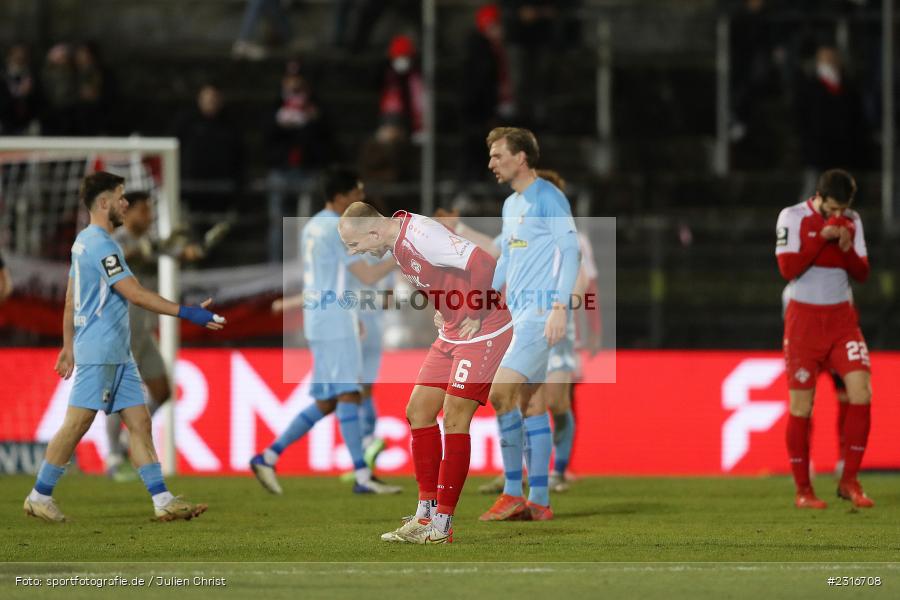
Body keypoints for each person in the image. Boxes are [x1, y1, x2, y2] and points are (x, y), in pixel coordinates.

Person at [23, 172, 225, 523]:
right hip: (101, 349)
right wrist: (187, 312)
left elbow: (72, 298)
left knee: (140, 421)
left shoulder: (83, 242)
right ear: (104, 204)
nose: (125, 204)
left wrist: (67, 345)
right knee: (77, 424)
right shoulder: (101, 244)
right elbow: (134, 293)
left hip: (118, 350)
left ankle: (162, 499)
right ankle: (39, 494)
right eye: (120, 197)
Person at [337, 201, 514, 545]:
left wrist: (473, 311)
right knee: (418, 411)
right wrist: (445, 310)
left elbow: (483, 261)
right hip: (452, 331)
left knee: (454, 418)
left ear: (373, 231)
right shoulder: (398, 240)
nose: (355, 253)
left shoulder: (420, 235)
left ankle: (443, 524)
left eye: (355, 245)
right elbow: (445, 277)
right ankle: (424, 515)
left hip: (483, 330)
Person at [251, 166, 398, 495]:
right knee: (349, 392)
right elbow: (369, 276)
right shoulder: (339, 228)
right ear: (342, 196)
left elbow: (324, 278)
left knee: (329, 400)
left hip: (322, 316)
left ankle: (268, 456)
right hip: (333, 318)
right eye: (357, 192)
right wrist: (399, 257)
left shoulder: (313, 226)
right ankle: (362, 477)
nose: (362, 198)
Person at [479, 127, 580, 522]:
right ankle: (538, 500)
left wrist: (558, 307)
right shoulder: (511, 205)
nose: (492, 163)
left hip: (539, 315)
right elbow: (505, 259)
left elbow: (572, 254)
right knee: (530, 402)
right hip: (515, 314)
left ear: (521, 157)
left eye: (498, 155)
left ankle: (510, 491)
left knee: (500, 393)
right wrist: (482, 300)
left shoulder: (549, 198)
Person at [775, 168, 873, 509]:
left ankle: (850, 481)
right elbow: (788, 269)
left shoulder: (853, 221)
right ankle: (804, 490)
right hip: (803, 321)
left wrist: (845, 247)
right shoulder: (792, 217)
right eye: (831, 208)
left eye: (842, 209)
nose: (837, 215)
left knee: (861, 391)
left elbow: (862, 273)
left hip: (841, 321)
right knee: (802, 405)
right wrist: (821, 237)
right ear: (818, 198)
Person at [104, 191, 205, 481]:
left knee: (162, 391)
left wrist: (193, 250)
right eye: (144, 211)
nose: (149, 217)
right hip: (119, 328)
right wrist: (156, 249)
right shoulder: (116, 242)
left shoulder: (150, 244)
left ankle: (124, 443)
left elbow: (177, 252)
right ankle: (113, 458)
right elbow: (130, 257)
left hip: (143, 330)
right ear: (129, 213)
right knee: (115, 393)